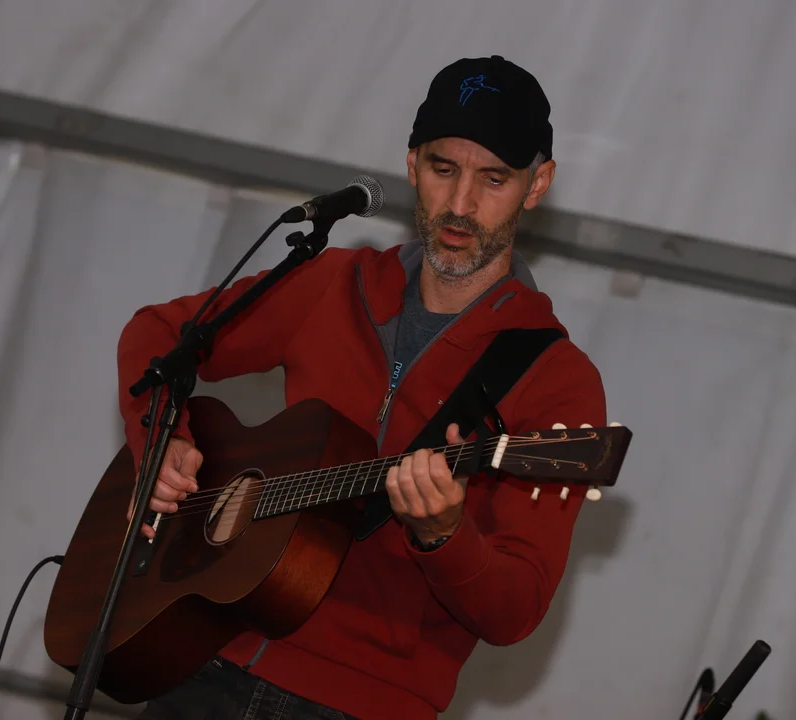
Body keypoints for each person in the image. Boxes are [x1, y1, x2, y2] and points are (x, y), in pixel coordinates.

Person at [116, 55, 607, 720]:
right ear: (411, 165)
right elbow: (158, 335)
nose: (461, 205)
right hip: (204, 654)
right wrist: (162, 442)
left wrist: (444, 535)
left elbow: (516, 610)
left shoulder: (557, 379)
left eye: (493, 179)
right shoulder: (334, 282)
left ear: (537, 184)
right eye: (442, 169)